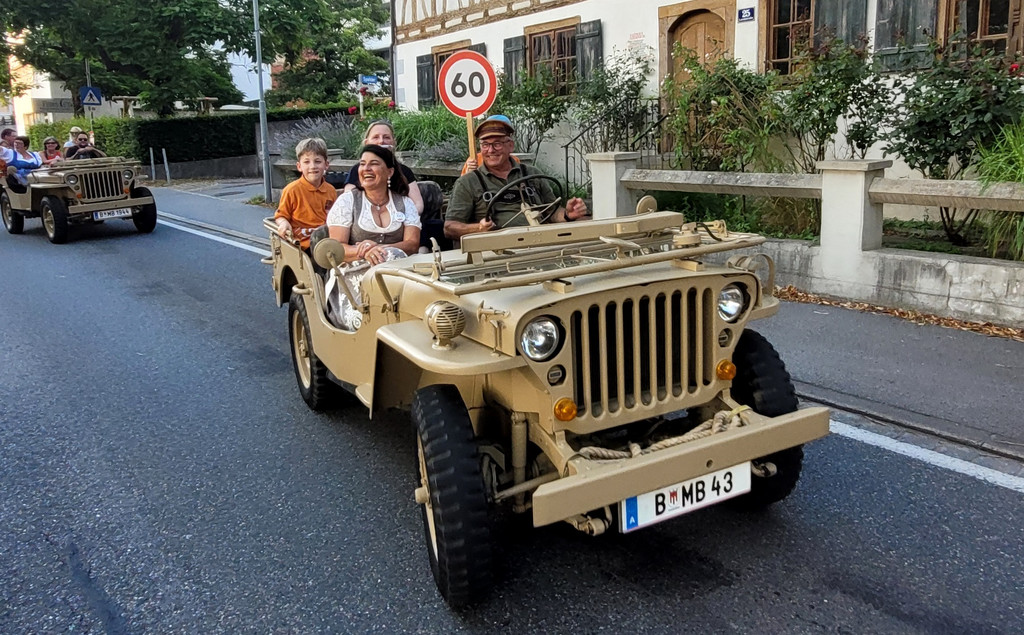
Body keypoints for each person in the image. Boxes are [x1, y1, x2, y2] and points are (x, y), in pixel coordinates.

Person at [444, 115, 589, 240]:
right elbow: (449, 228)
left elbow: (553, 213)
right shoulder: (468, 182)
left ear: (510, 146)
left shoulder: (532, 174)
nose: (490, 150)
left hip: (541, 243)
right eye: (485, 145)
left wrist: (568, 214)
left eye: (497, 144)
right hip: (495, 252)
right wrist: (478, 228)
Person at [327, 144, 421, 265]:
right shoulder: (346, 201)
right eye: (362, 164)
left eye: (374, 163)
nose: (366, 168)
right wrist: (364, 252)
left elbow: (412, 244)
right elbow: (336, 248)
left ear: (390, 172)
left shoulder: (405, 203)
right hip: (354, 270)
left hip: (397, 269)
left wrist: (378, 249)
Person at [342, 120, 425, 215]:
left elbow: (418, 204)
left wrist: (402, 218)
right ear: (367, 142)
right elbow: (348, 202)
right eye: (375, 137)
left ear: (394, 142)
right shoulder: (359, 170)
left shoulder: (404, 171)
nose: (381, 141)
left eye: (386, 137)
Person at [273, 137, 337, 250]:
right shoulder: (292, 190)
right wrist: (283, 223)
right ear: (299, 166)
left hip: (327, 237)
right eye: (307, 162)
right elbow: (281, 215)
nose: (312, 166)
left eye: (317, 161)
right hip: (302, 242)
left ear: (326, 165)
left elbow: (334, 217)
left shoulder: (330, 190)